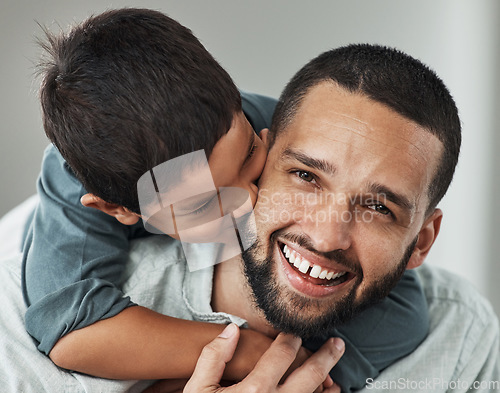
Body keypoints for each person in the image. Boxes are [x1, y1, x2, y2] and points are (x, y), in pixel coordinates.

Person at [24, 8, 429, 391]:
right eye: (202, 205)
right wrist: (243, 351)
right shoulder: (81, 174)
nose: (248, 200)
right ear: (119, 210)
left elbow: (404, 307)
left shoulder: (281, 130)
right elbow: (71, 331)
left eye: (251, 156)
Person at [122, 44, 498, 392]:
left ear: (422, 240)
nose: (326, 238)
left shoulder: (460, 334)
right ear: (258, 167)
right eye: (306, 176)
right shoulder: (119, 297)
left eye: (380, 208)